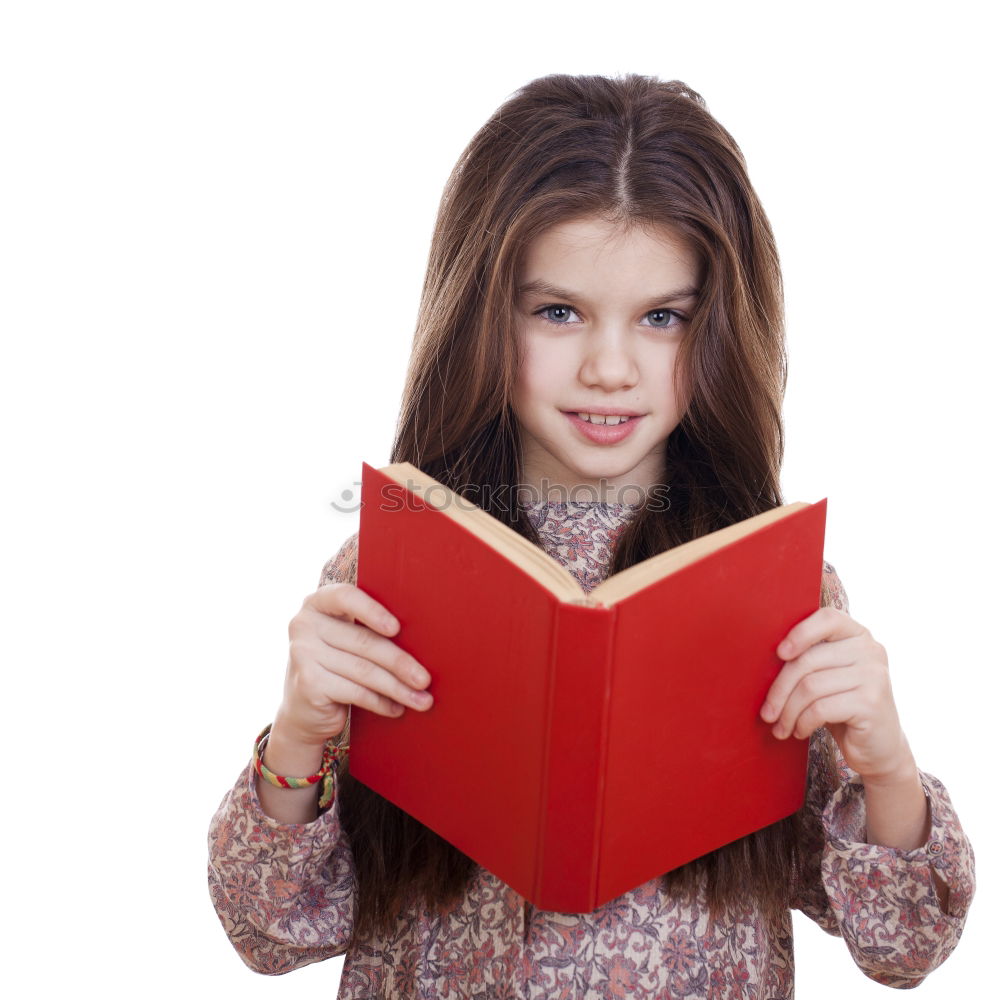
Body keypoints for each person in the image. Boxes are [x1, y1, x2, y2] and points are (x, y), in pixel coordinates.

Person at [207, 73, 975, 998]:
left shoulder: (773, 587)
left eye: (662, 318)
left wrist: (886, 766)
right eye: (558, 311)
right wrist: (296, 738)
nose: (610, 368)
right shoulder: (394, 566)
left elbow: (901, 949)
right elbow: (271, 934)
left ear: (720, 328)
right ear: (483, 314)